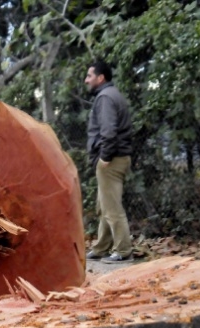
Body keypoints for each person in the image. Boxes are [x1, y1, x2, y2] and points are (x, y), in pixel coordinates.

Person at [84, 61, 133, 264]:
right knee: (104, 205)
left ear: (100, 78)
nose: (86, 80)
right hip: (116, 158)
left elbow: (109, 131)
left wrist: (104, 157)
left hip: (111, 160)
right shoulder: (112, 95)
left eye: (89, 76)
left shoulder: (105, 98)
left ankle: (123, 250)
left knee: (112, 208)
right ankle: (101, 248)